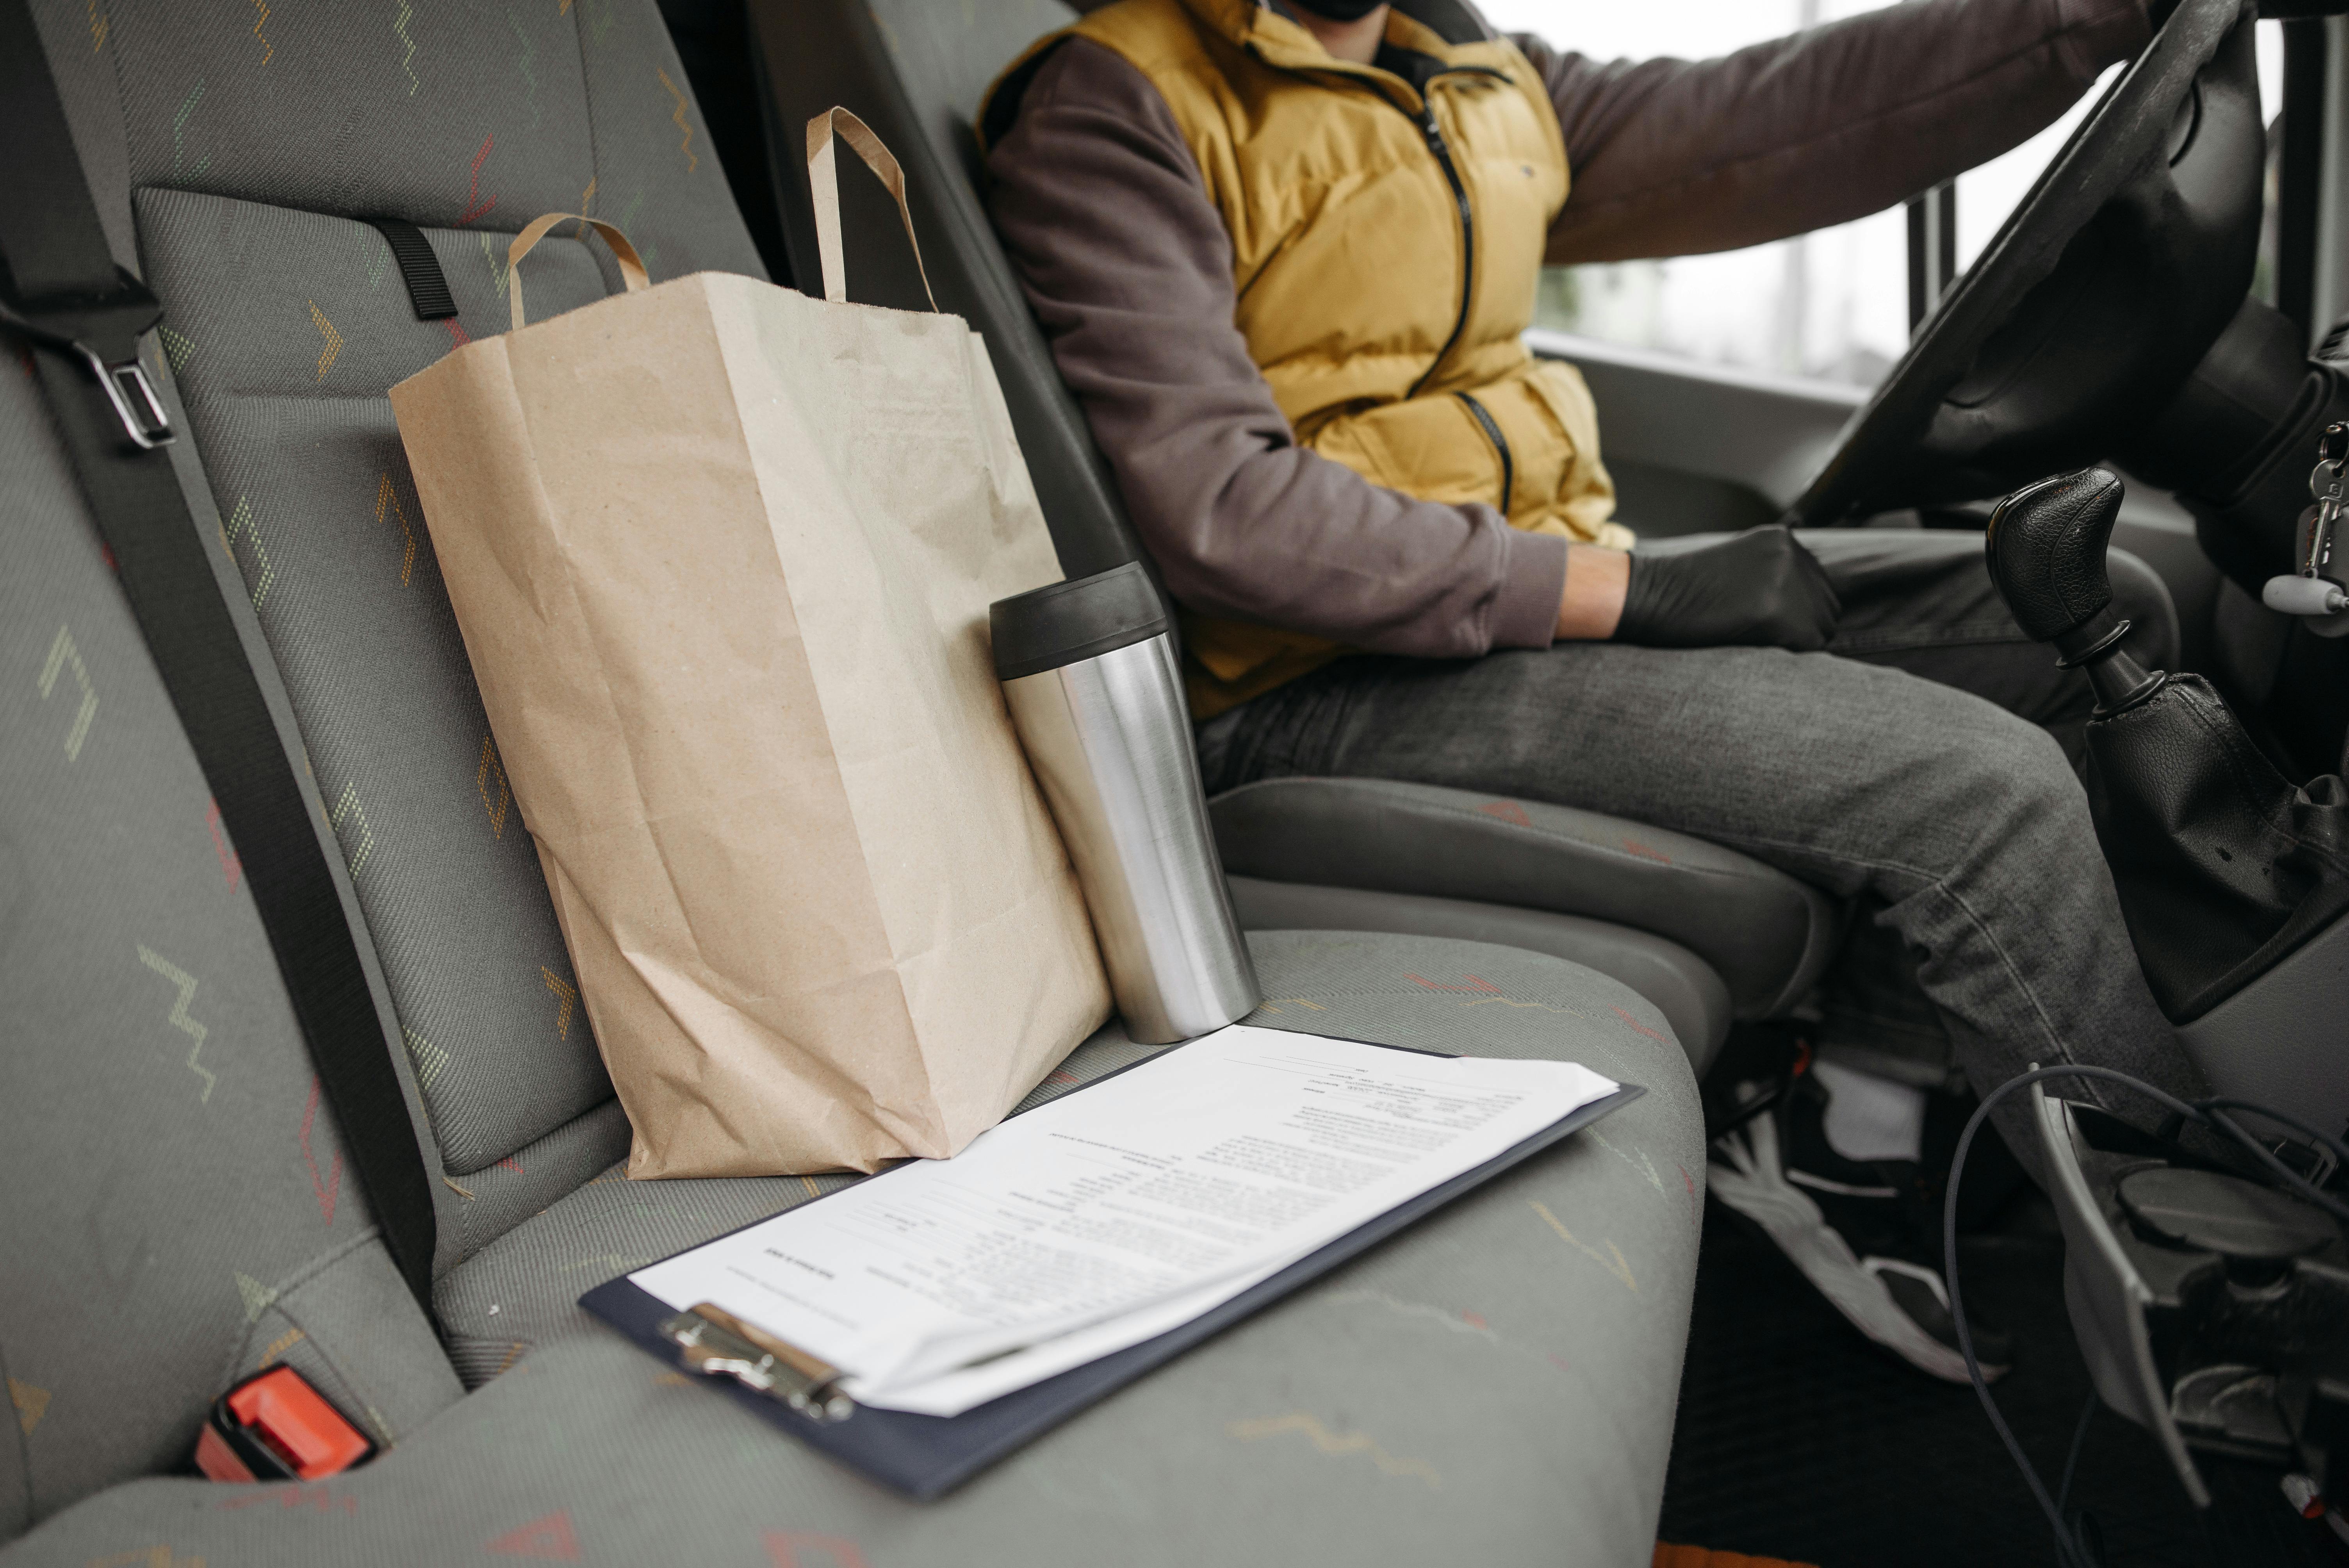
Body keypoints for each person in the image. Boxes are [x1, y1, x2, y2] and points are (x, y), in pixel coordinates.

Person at [979, 0, 2200, 1381]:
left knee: (2078, 610)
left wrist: (2080, 19)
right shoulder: (1119, 104)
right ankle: (2197, 1308)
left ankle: (1853, 1128)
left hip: (1526, 601)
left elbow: (1781, 119)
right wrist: (1630, 593)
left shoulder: (1464, 69)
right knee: (1988, 792)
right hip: (1310, 679)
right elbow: (1227, 515)